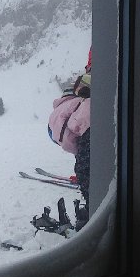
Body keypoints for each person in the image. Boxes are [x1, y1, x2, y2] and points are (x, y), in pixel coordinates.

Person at [47, 51, 91, 227]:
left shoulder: (79, 111)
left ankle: (92, 209)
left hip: (81, 124)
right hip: (82, 124)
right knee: (87, 166)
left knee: (86, 167)